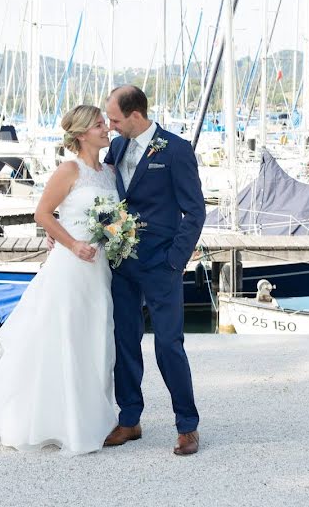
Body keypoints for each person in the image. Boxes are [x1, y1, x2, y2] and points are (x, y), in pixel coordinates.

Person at [0, 105, 118, 455]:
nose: (106, 128)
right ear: (83, 133)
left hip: (99, 268)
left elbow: (114, 218)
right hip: (71, 267)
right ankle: (58, 422)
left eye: (105, 123)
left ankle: (92, 417)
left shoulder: (110, 172)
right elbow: (42, 212)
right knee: (65, 337)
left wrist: (116, 237)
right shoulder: (69, 170)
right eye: (99, 124)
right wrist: (71, 243)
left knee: (95, 338)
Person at [103, 85, 206, 456]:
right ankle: (130, 419)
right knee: (125, 341)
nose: (110, 126)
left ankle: (187, 425)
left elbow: (195, 212)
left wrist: (174, 261)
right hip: (122, 264)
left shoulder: (175, 150)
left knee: (168, 344)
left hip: (162, 264)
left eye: (114, 119)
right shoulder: (116, 148)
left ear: (135, 115)